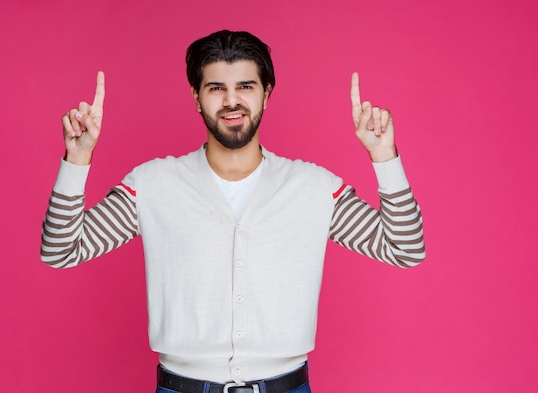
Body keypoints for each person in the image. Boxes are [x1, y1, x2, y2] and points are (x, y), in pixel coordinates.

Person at [41, 30, 425, 393]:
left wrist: (383, 155)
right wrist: (78, 158)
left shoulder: (313, 187)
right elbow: (61, 251)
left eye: (245, 86)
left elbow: (404, 249)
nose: (231, 101)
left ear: (266, 94)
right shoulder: (153, 183)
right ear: (196, 97)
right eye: (216, 88)